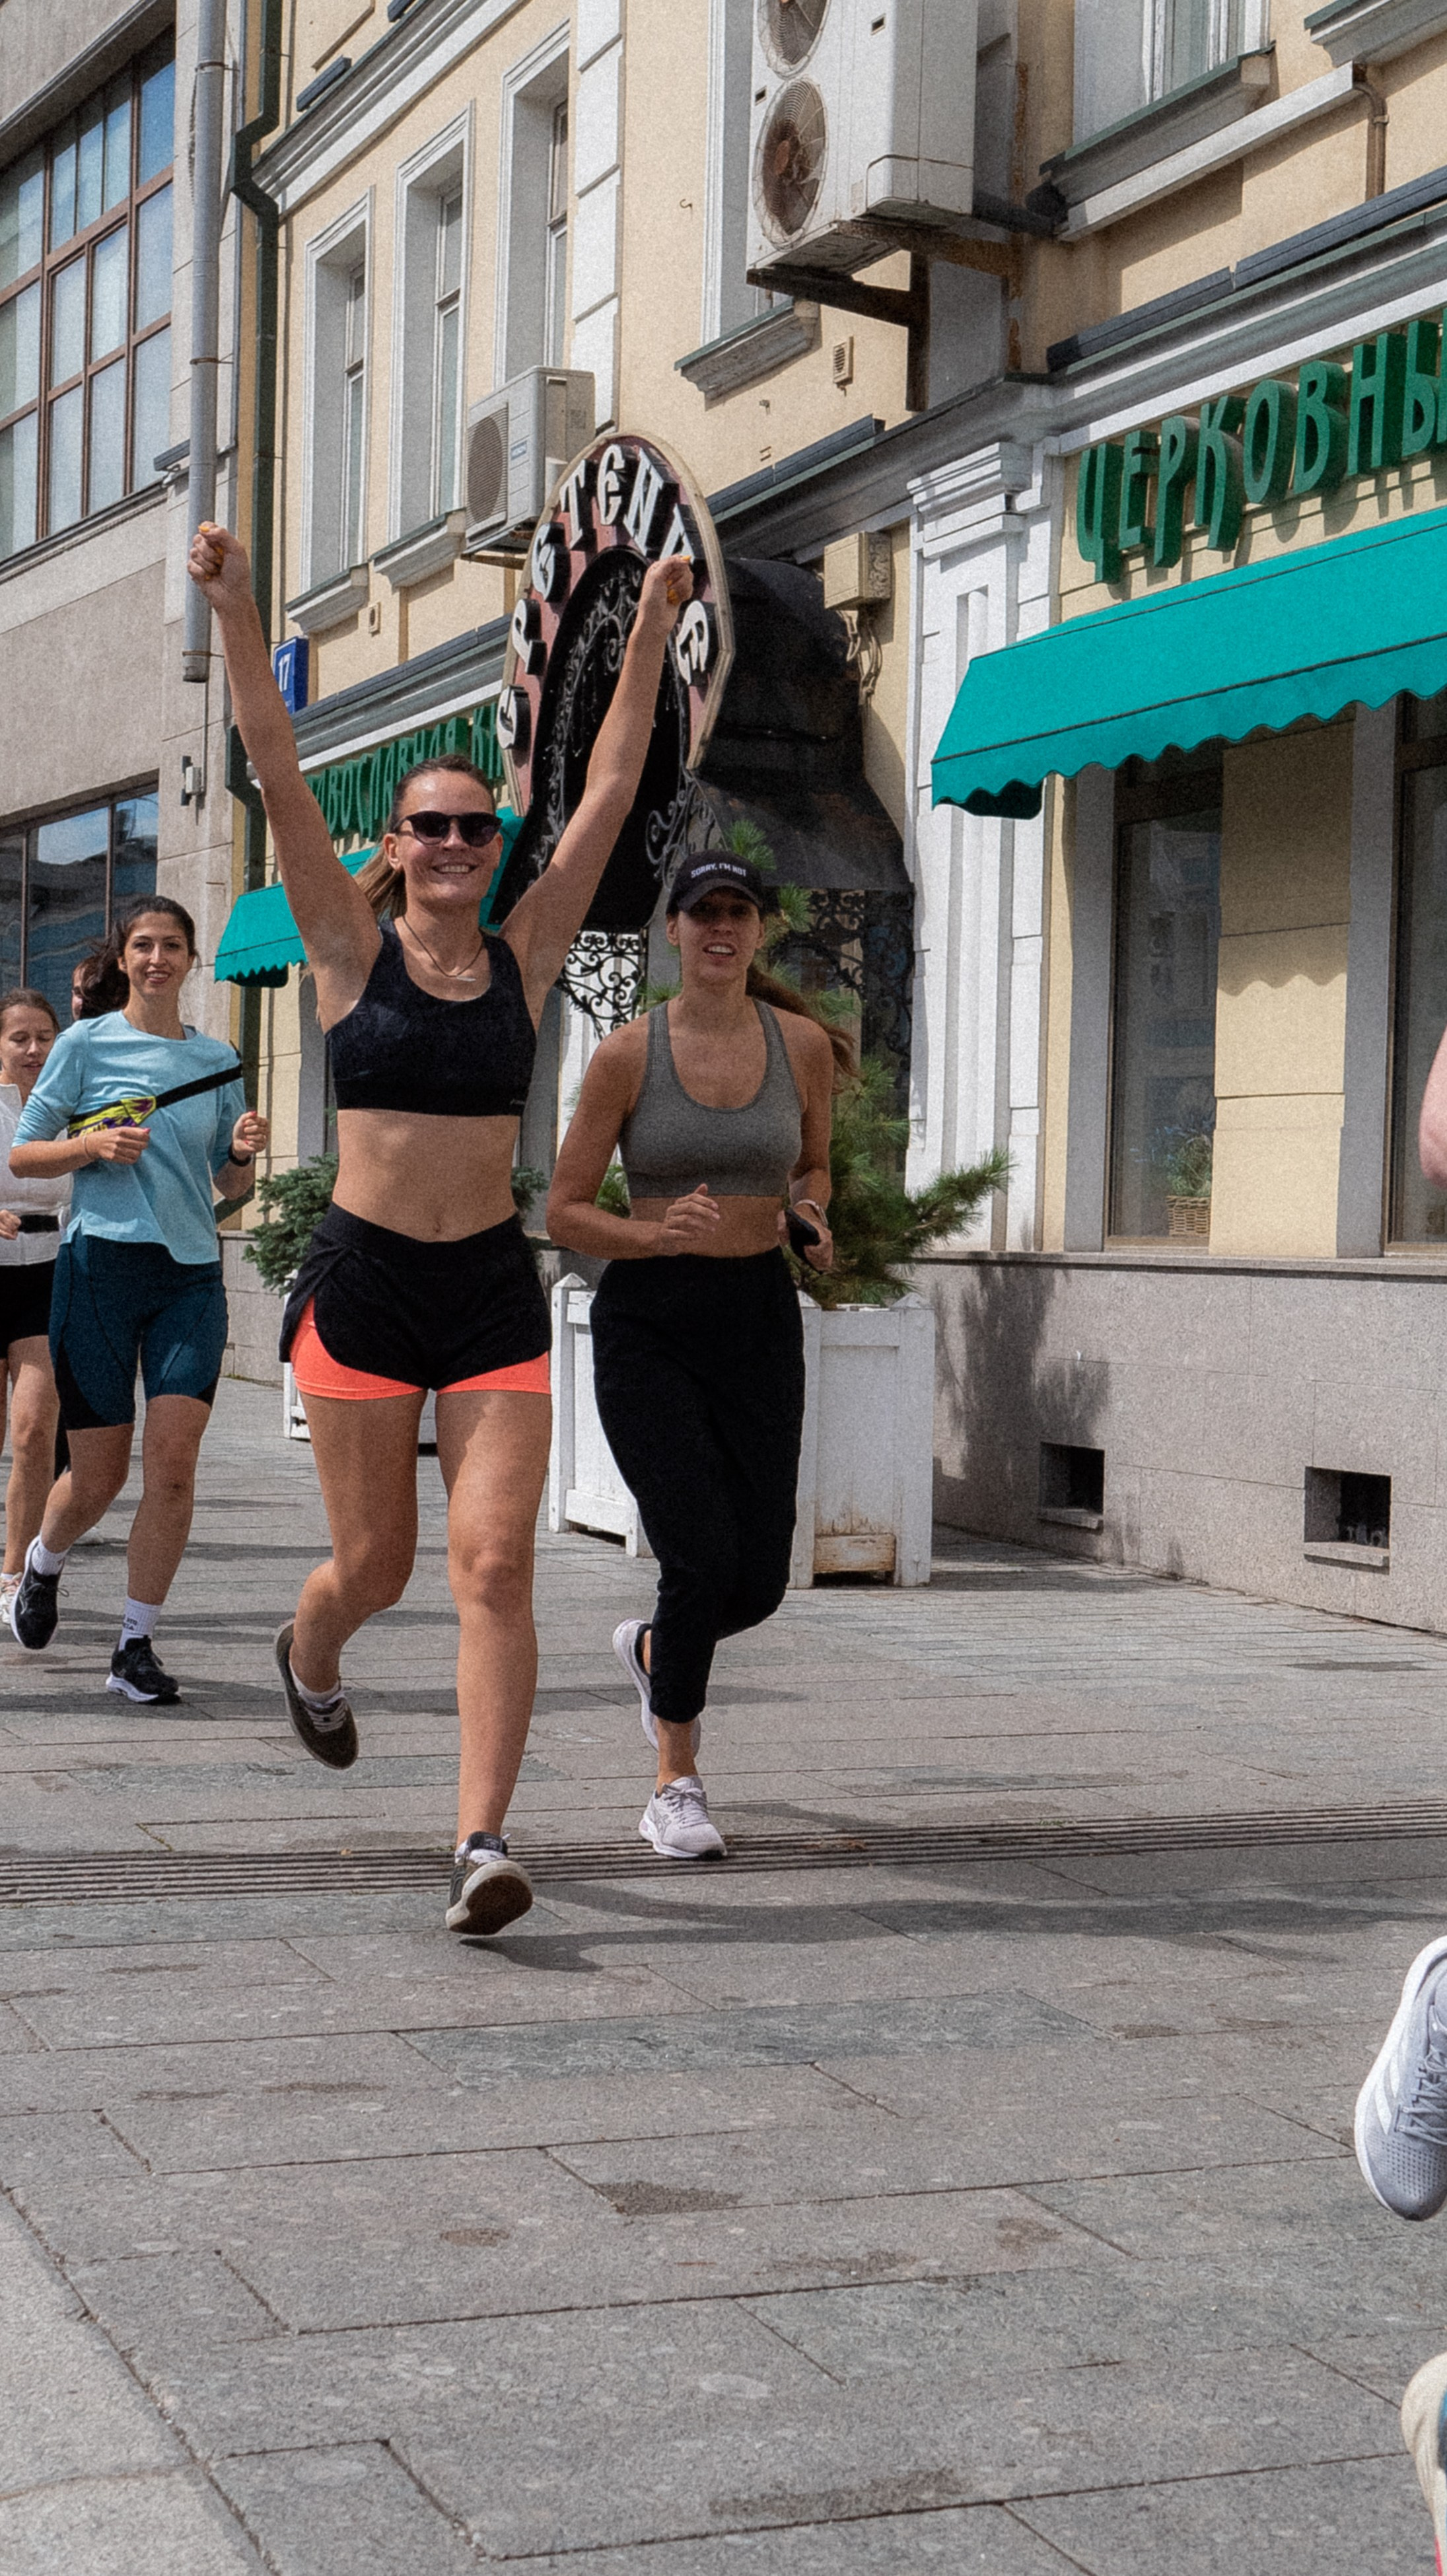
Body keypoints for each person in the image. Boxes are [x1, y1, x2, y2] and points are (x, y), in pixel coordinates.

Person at [189, 518, 693, 1939]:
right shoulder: (346, 955)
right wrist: (238, 608)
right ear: (396, 846)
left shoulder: (527, 955)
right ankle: (315, 1644)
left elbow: (605, 784)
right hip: (359, 1286)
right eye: (435, 828)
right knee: (380, 1566)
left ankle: (480, 1841)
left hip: (485, 1289)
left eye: (479, 828)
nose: (460, 845)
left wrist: (650, 625)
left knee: (493, 1562)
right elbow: (277, 765)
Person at [546, 851, 845, 1860]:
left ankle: (650, 1652)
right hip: (650, 1322)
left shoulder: (799, 1044)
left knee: (756, 1580)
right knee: (697, 1554)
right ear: (671, 931)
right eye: (702, 912)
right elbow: (564, 1210)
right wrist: (654, 1235)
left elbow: (811, 1161)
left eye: (739, 912)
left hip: (756, 1314)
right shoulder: (628, 1055)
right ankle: (674, 1783)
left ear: (759, 931)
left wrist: (807, 1216)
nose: (720, 927)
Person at [7, 898, 268, 1700]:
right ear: (124, 959)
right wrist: (91, 1144)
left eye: (173, 947)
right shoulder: (85, 1044)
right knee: (98, 1477)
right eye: (144, 946)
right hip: (100, 1272)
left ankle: (134, 1646)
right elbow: (26, 1152)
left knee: (176, 1468)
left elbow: (227, 1186)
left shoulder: (218, 1058)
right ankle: (41, 1567)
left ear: (191, 961)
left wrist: (242, 1154)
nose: (158, 958)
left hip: (190, 1274)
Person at [0, 991, 69, 1622]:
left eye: (44, 1036)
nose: (33, 1049)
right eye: (19, 1038)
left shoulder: (68, 1108)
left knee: (34, 1429)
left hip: (49, 1272)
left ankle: (15, 1572)